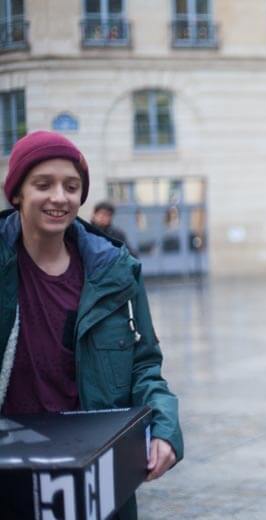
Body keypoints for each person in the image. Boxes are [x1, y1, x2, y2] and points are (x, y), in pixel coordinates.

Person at [0, 131, 183, 519]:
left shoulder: (116, 272)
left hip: (96, 479)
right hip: (11, 482)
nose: (59, 197)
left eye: (72, 186)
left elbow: (145, 365)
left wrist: (164, 428)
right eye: (43, 184)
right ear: (16, 192)